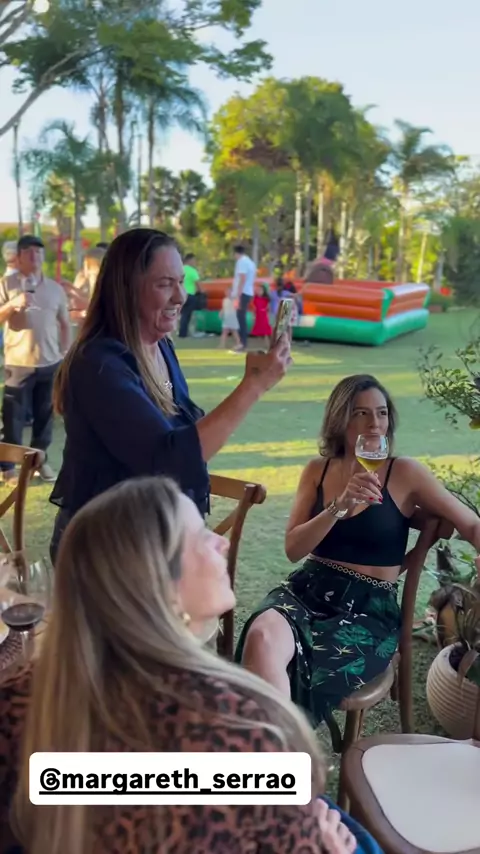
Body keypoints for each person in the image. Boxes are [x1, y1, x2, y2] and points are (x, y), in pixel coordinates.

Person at [0, 476, 380, 854]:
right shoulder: (238, 731)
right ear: (160, 589)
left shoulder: (18, 698)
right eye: (201, 536)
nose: (222, 542)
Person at [236, 374, 480, 746]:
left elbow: (469, 523)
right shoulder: (317, 471)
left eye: (381, 413)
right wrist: (339, 506)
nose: (374, 424)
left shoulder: (404, 472)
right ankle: (275, 757)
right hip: (308, 589)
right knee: (262, 634)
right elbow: (293, 549)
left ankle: (269, 755)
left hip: (368, 609)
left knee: (293, 666)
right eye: (361, 413)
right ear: (340, 419)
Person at [49, 228, 291, 563]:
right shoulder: (99, 363)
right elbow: (168, 460)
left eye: (180, 282)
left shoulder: (160, 346)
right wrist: (253, 385)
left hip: (156, 532)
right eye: (165, 284)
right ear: (125, 288)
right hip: (106, 549)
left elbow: (182, 435)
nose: (181, 296)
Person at [0, 234, 71, 485]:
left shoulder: (55, 289)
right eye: (29, 252)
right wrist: (13, 304)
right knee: (13, 418)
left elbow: (64, 323)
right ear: (18, 257)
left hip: (50, 363)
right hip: (18, 363)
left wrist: (65, 352)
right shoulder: (6, 284)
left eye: (38, 252)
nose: (35, 256)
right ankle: (7, 467)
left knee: (45, 417)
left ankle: (38, 462)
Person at [232, 245, 257, 353]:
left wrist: (238, 294)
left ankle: (242, 343)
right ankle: (242, 342)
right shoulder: (250, 262)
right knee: (241, 318)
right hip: (248, 292)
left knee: (240, 318)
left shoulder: (241, 262)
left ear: (236, 253)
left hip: (243, 292)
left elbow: (242, 278)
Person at [178, 252, 200, 338]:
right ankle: (184, 333)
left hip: (180, 294)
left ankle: (181, 331)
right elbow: (198, 284)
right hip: (190, 295)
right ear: (189, 260)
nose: (194, 262)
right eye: (194, 260)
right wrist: (201, 292)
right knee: (187, 315)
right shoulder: (192, 271)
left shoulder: (180, 269)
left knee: (182, 314)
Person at [251, 282, 272, 350]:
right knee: (258, 331)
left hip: (263, 316)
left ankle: (268, 345)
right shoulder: (255, 298)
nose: (259, 291)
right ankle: (262, 345)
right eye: (258, 290)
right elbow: (254, 308)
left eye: (260, 290)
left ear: (264, 291)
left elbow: (268, 308)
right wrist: (253, 316)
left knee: (265, 332)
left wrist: (268, 315)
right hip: (258, 316)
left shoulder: (266, 299)